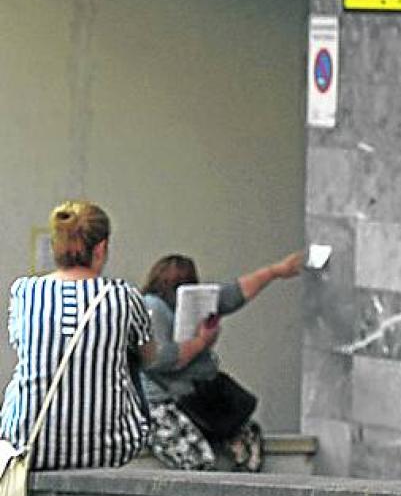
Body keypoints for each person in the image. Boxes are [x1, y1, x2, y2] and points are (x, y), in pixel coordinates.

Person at [1, 201, 158, 470]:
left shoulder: (24, 292)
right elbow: (150, 358)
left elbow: (22, 345)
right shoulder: (124, 296)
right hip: (110, 448)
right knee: (130, 360)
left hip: (30, 442)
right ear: (101, 248)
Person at [140, 250, 302, 472]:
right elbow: (158, 359)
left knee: (249, 444)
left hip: (197, 395)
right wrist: (201, 342)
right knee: (198, 461)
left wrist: (276, 271)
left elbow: (232, 295)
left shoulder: (194, 302)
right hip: (162, 403)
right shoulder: (152, 307)